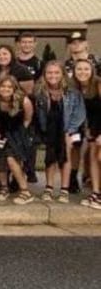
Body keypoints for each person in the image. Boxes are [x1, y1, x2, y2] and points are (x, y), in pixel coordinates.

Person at [35, 61, 86, 203]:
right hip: (49, 129)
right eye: (49, 73)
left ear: (62, 74)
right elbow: (39, 114)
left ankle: (64, 189)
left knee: (66, 157)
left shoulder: (72, 93)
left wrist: (69, 132)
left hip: (67, 129)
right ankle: (49, 187)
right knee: (50, 158)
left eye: (56, 72)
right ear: (44, 75)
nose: (53, 75)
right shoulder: (40, 92)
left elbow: (79, 114)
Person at [0, 75, 36, 204]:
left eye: (9, 87)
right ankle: (4, 186)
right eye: (3, 86)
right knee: (0, 159)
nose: (5, 89)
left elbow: (28, 119)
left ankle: (25, 191)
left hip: (19, 133)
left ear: (14, 88)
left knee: (11, 159)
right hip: (1, 132)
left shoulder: (23, 100)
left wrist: (21, 135)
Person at [73, 60, 101, 209]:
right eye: (79, 69)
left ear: (92, 71)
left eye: (86, 69)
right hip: (93, 128)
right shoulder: (77, 88)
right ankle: (96, 193)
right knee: (93, 160)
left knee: (100, 158)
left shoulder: (98, 84)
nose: (82, 72)